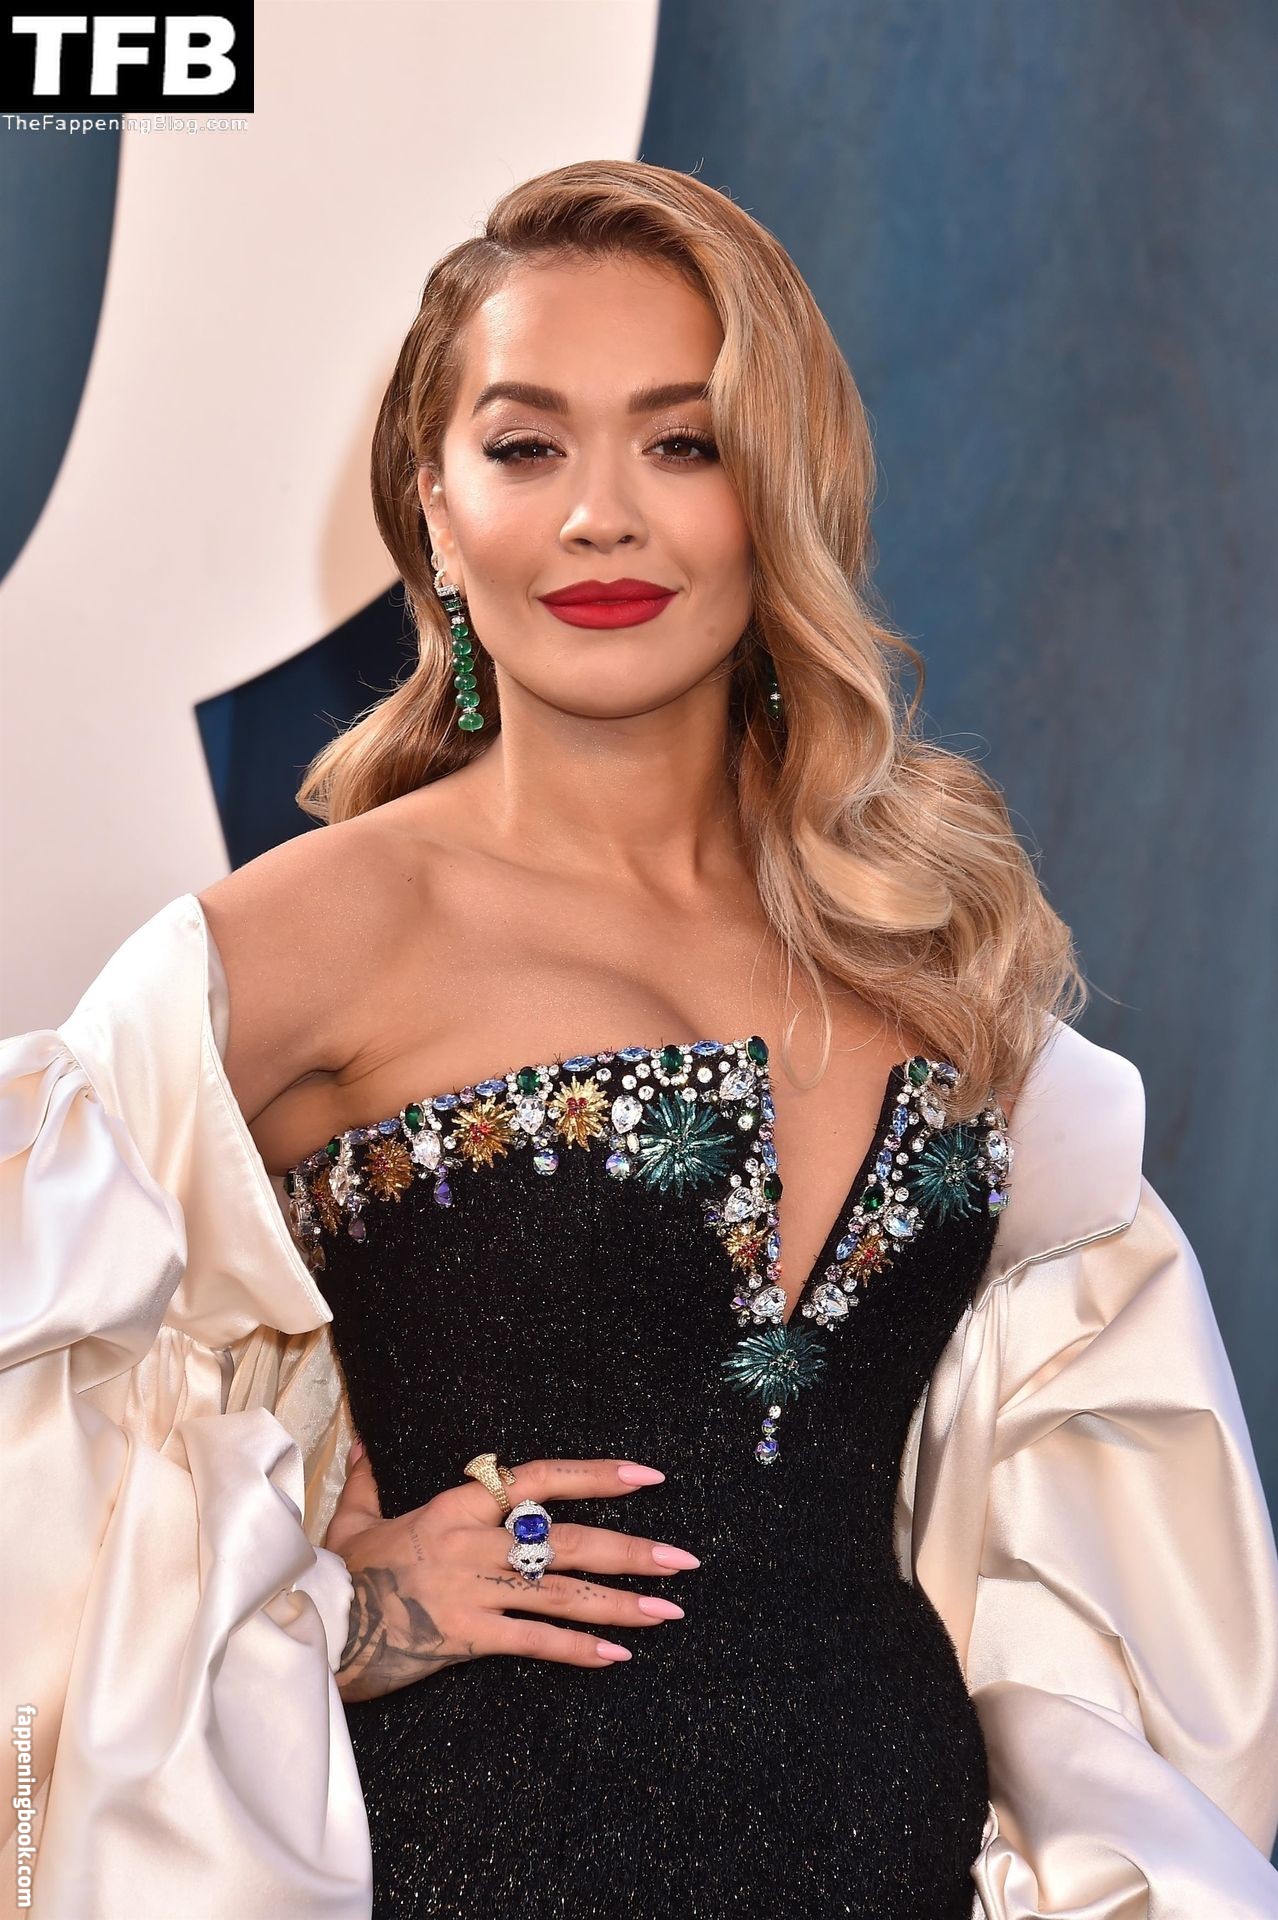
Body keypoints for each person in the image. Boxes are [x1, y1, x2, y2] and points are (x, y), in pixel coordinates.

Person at [3, 159, 1276, 1920]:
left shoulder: (925, 944)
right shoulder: (308, 937)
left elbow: (1100, 1520)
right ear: (434, 509)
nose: (601, 516)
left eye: (682, 442)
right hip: (483, 1866)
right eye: (525, 447)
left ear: (780, 492)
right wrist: (339, 1612)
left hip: (897, 1866)